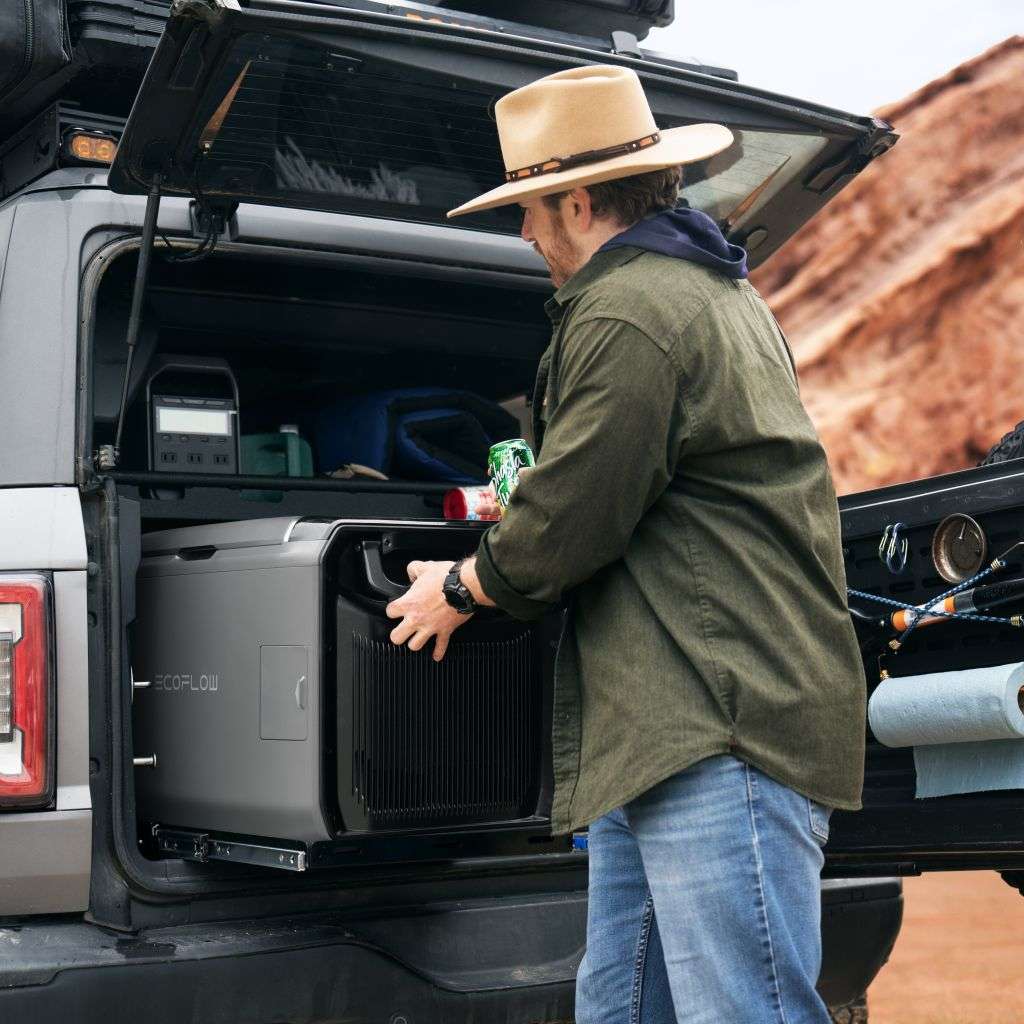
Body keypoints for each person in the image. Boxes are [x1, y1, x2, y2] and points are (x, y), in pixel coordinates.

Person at [384, 64, 866, 1024]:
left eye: (531, 209)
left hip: (717, 724)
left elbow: (574, 514)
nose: (523, 233)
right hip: (665, 731)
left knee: (745, 1012)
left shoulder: (633, 309)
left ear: (576, 199)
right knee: (620, 1009)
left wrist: (467, 585)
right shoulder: (703, 293)